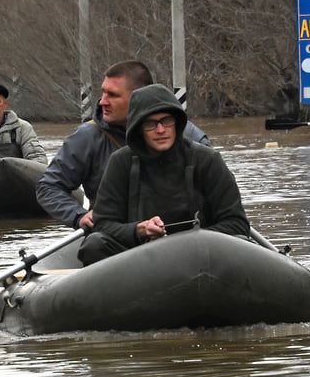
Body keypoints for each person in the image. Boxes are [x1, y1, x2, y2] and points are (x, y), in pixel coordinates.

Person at [77, 84, 250, 266]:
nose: (160, 130)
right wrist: (139, 230)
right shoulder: (121, 162)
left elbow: (237, 224)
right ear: (138, 128)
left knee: (242, 244)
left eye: (166, 121)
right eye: (151, 124)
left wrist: (188, 241)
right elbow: (103, 224)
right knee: (94, 245)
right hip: (138, 260)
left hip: (201, 258)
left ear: (177, 122)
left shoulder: (208, 160)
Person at [36, 60, 211, 230]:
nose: (102, 101)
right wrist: (77, 215)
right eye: (103, 93)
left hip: (185, 233)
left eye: (113, 95)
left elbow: (218, 193)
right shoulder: (87, 137)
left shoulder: (191, 137)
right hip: (118, 236)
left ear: (138, 97)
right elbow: (49, 186)